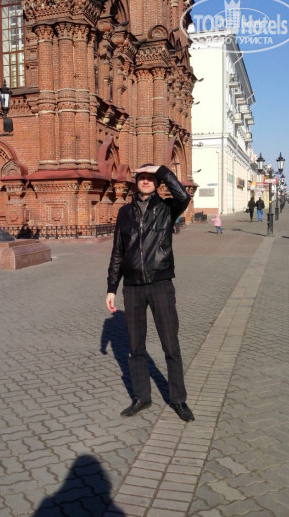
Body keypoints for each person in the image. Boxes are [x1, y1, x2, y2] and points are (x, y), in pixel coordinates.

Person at [105, 163, 194, 422]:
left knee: (170, 345)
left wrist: (161, 170)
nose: (145, 181)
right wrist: (112, 288)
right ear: (136, 182)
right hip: (132, 288)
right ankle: (142, 397)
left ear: (157, 183)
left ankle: (178, 399)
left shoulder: (167, 208)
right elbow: (118, 252)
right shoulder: (125, 213)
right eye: (141, 177)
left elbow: (183, 195)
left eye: (150, 178)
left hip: (160, 284)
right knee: (135, 347)